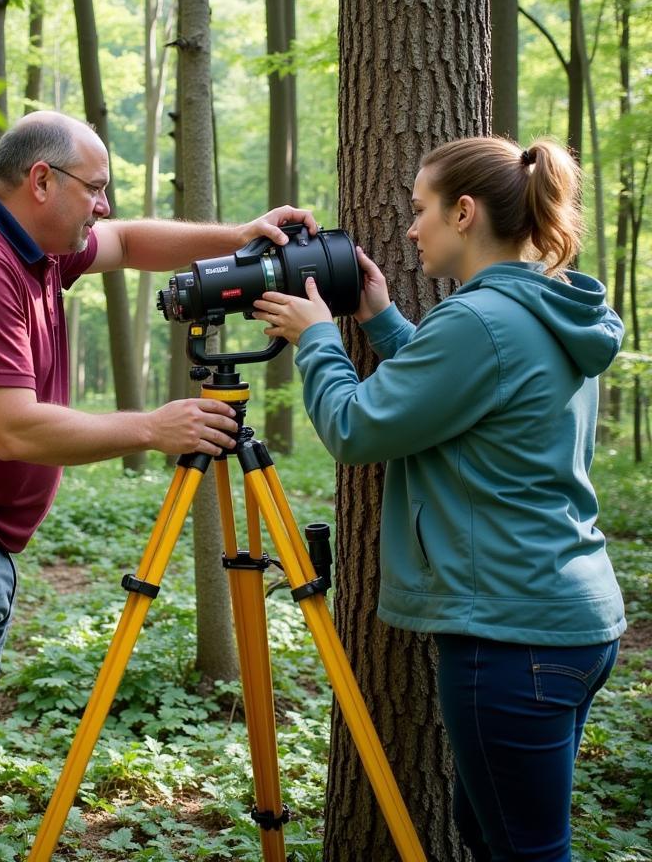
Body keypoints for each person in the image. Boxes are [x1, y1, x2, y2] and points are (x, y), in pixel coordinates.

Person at [0, 110, 318, 862]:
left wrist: (239, 237)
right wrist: (155, 427)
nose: (105, 205)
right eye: (97, 187)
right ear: (42, 181)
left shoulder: (33, 245)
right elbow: (14, 429)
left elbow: (127, 241)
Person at [252, 136, 625, 862]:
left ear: (464, 212)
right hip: (569, 617)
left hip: (511, 636)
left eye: (420, 210)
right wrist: (383, 323)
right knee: (497, 836)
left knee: (522, 851)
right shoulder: (544, 310)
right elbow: (465, 395)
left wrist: (318, 340)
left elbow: (357, 429)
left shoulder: (478, 321)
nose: (411, 229)